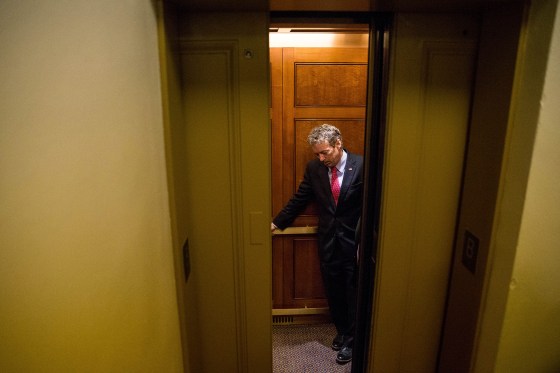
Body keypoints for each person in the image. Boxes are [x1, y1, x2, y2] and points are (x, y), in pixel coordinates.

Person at [271, 124, 363, 364]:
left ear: (338, 144)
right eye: (317, 154)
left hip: (354, 242)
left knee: (353, 290)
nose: (321, 158)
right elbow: (300, 197)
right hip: (328, 241)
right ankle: (342, 331)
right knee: (333, 289)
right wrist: (278, 222)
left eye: (325, 153)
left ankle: (353, 340)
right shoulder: (315, 169)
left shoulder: (362, 166)